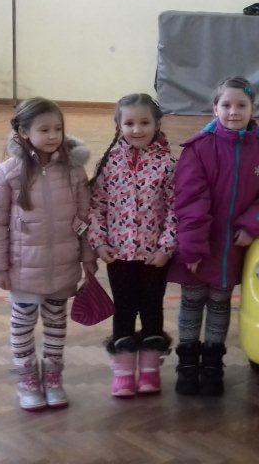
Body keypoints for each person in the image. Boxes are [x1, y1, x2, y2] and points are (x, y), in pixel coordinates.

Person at [168, 77, 259, 396]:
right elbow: (189, 200)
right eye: (226, 105)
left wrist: (252, 226)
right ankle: (187, 363)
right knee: (192, 302)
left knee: (220, 304)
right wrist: (192, 248)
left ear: (253, 109)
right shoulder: (199, 148)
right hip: (198, 246)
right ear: (215, 109)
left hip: (231, 248)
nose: (233, 111)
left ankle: (212, 364)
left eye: (241, 105)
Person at [0, 97, 97, 411]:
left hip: (63, 266)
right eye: (44, 129)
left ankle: (53, 377)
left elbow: (85, 218)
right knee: (22, 324)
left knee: (57, 323)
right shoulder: (5, 174)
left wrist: (88, 257)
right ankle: (28, 380)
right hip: (23, 270)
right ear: (23, 132)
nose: (53, 135)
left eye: (58, 129)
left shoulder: (74, 172)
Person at [88, 93, 177, 397]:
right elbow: (96, 206)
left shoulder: (168, 164)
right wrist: (99, 243)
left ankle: (150, 370)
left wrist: (166, 247)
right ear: (119, 125)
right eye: (129, 123)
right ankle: (123, 372)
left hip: (155, 257)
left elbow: (176, 209)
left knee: (152, 308)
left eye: (144, 122)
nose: (137, 129)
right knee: (123, 309)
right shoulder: (109, 163)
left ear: (157, 124)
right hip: (119, 256)